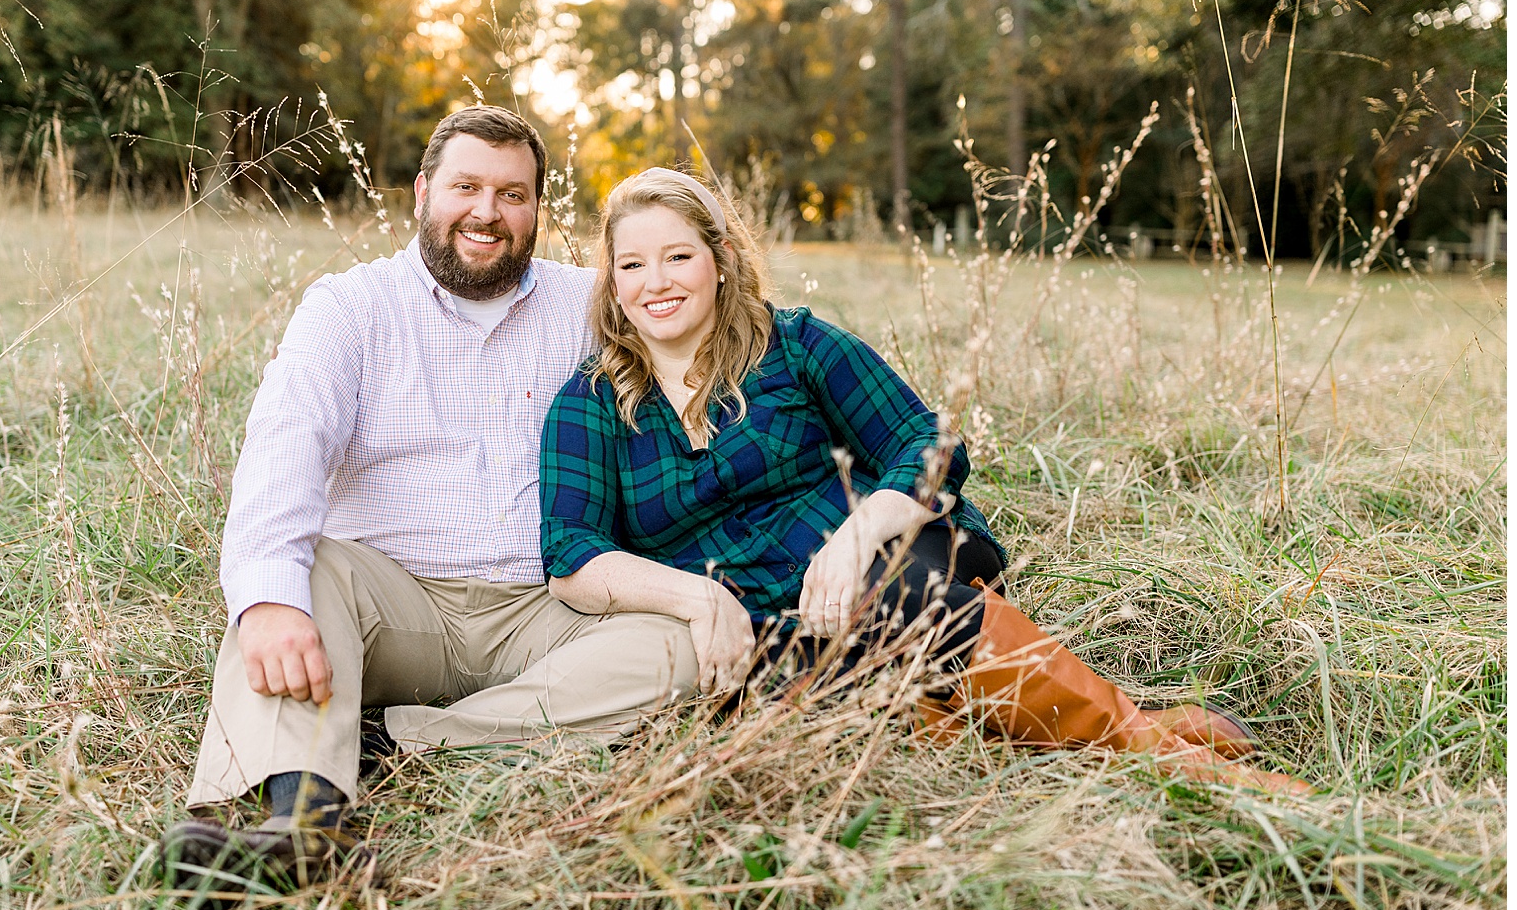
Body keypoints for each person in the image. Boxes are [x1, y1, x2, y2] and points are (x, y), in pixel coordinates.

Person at [538, 167, 1313, 796]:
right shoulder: (592, 405)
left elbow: (927, 440)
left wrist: (855, 536)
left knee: (905, 594)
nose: (656, 282)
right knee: (839, 707)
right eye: (632, 264)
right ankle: (1126, 724)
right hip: (758, 636)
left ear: (721, 259)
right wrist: (697, 598)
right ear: (612, 284)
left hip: (887, 575)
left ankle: (1161, 753)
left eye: (677, 255)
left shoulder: (797, 346)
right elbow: (571, 554)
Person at [163, 109, 700, 890]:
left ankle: (409, 739)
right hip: (393, 601)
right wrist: (267, 602)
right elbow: (286, 445)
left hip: (549, 606)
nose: (487, 211)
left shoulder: (592, 305)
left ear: (537, 209)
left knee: (677, 643)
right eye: (467, 187)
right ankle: (305, 826)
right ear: (422, 193)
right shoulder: (350, 307)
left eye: (512, 194)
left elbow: (701, 348)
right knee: (297, 579)